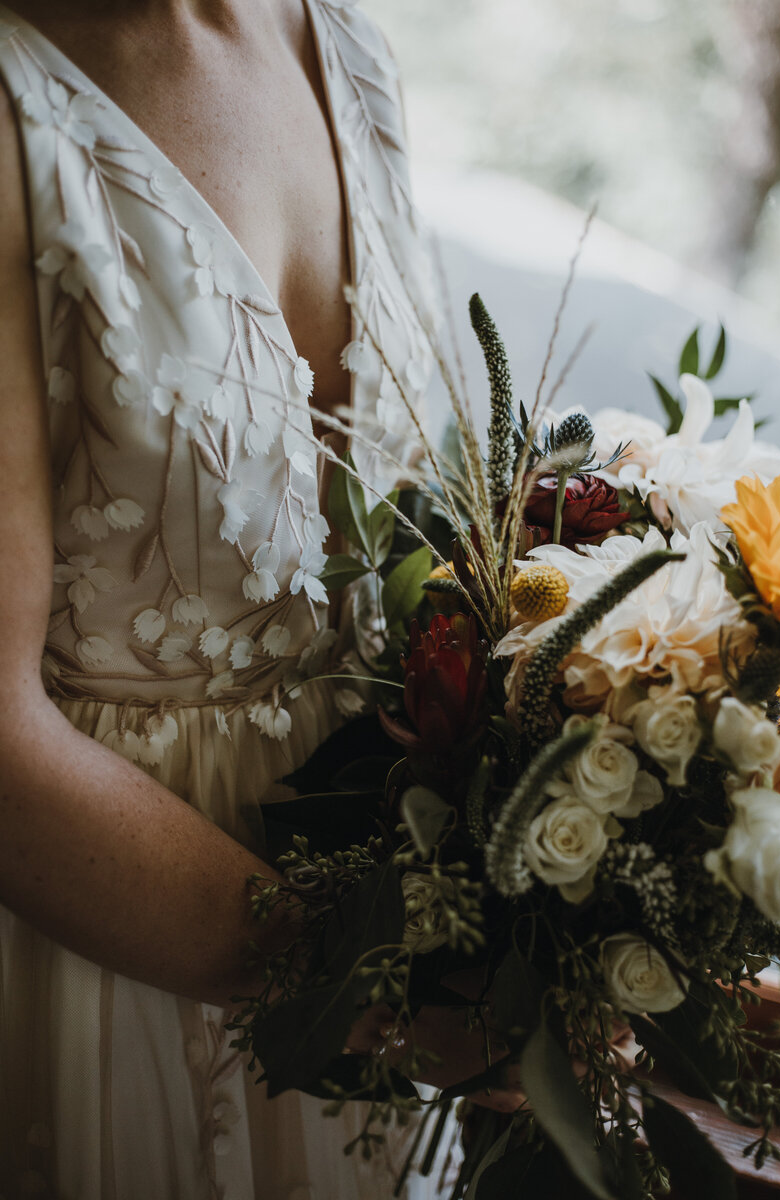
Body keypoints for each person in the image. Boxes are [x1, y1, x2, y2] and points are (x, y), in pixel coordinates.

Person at [0, 1, 522, 1196]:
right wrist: (368, 987)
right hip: (108, 978)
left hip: (388, 930)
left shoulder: (339, 38)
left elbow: (390, 513)